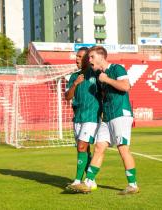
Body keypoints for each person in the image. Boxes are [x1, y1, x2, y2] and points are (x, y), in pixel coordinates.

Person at [71, 46, 139, 195]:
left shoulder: (116, 68)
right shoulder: (100, 75)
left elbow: (126, 86)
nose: (89, 60)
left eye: (91, 57)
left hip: (120, 114)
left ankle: (133, 185)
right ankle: (88, 182)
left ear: (101, 57)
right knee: (99, 147)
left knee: (123, 149)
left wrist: (107, 79)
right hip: (107, 117)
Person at [65, 47, 102, 190]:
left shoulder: (96, 73)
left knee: (82, 146)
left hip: (91, 116)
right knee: (83, 150)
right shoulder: (74, 76)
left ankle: (77, 181)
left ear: (88, 58)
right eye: (76, 56)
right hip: (78, 117)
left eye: (80, 57)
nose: (76, 59)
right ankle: (90, 180)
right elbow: (67, 96)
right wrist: (75, 84)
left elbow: (104, 92)